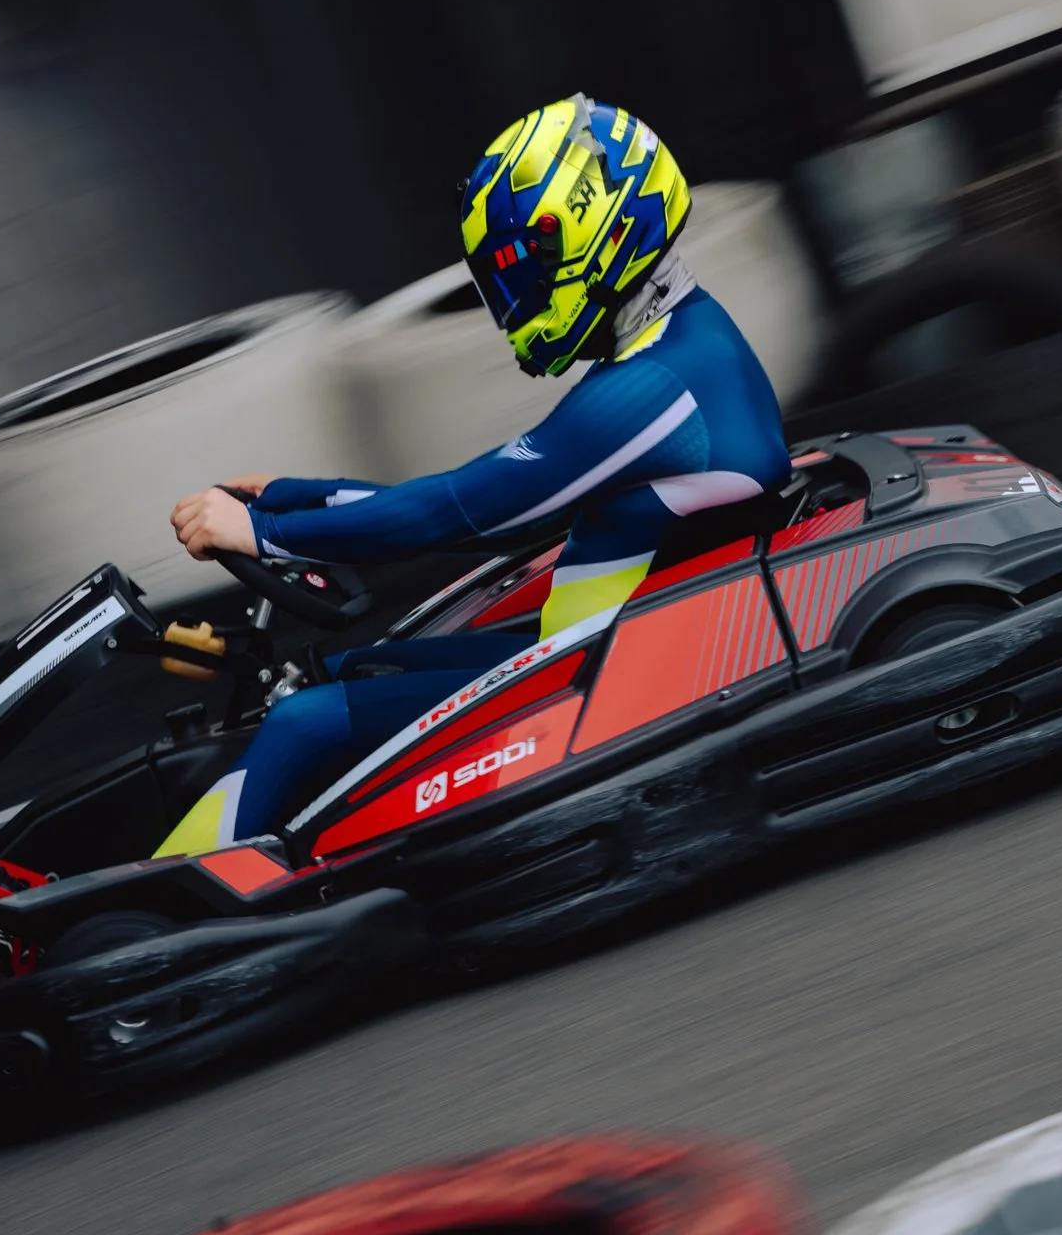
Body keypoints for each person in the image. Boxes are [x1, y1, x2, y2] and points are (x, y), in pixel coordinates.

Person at [156, 93, 790, 856]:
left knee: (305, 720)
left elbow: (459, 513)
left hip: (606, 676)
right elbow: (474, 500)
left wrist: (265, 535)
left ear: (596, 230)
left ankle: (173, 898)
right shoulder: (680, 338)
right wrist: (294, 496)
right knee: (344, 671)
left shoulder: (648, 392)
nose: (513, 298)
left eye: (524, 267)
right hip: (597, 647)